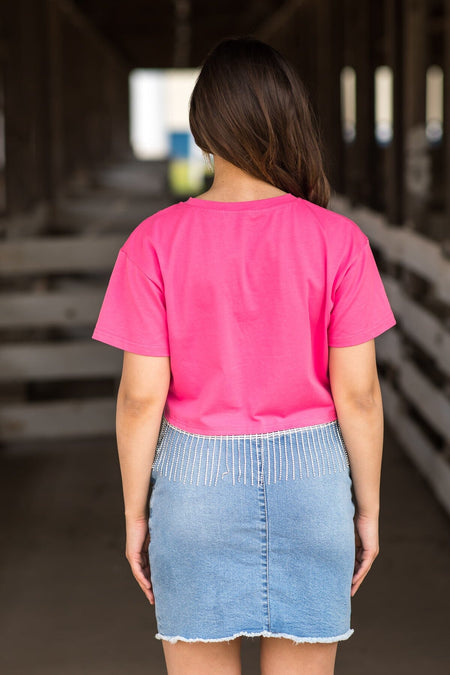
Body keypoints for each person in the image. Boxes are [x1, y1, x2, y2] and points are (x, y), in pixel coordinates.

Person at [92, 35, 396, 675]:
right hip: (313, 487)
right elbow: (361, 397)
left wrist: (133, 515)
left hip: (195, 495)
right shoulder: (339, 241)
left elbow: (141, 398)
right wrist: (365, 510)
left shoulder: (153, 243)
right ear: (289, 125)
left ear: (203, 130)